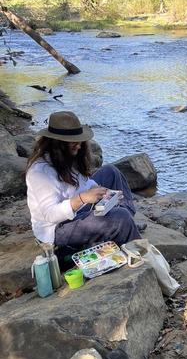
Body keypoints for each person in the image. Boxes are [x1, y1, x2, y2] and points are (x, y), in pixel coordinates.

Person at [26, 111, 141, 259]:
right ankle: (124, 228)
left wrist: (96, 188)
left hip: (78, 210)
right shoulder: (40, 172)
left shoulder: (65, 157)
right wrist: (82, 198)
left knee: (111, 172)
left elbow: (83, 183)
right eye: (74, 142)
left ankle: (125, 225)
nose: (79, 146)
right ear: (57, 143)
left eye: (80, 141)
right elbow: (50, 215)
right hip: (57, 230)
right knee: (120, 216)